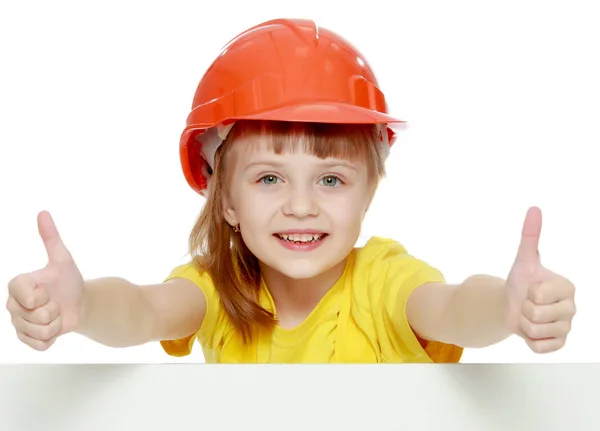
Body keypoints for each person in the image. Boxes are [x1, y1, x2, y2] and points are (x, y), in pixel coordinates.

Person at [6, 18, 577, 363]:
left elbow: (453, 307)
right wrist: (82, 307)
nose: (301, 205)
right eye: (269, 178)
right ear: (224, 199)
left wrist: (506, 307)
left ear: (367, 193)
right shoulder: (216, 292)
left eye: (331, 179)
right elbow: (143, 309)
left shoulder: (382, 281)